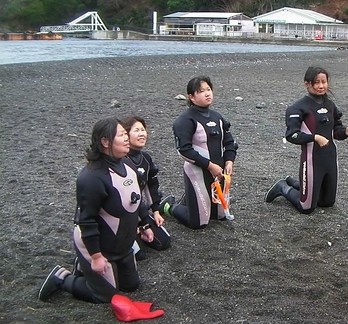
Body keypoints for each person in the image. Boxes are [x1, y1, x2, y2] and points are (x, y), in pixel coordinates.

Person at [38, 117, 154, 303]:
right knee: (106, 296)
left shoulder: (128, 165)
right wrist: (96, 257)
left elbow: (135, 200)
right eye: (121, 135)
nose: (126, 138)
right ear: (105, 142)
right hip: (97, 246)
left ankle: (85, 268)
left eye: (126, 134)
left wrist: (145, 224)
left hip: (123, 246)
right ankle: (62, 278)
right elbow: (86, 221)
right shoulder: (91, 178)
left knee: (131, 286)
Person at [265, 66, 348, 214]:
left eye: (324, 82)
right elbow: (291, 135)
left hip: (330, 158)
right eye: (317, 82)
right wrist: (314, 138)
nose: (321, 86)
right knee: (306, 207)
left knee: (327, 203)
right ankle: (283, 187)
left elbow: (336, 132)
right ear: (307, 84)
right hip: (312, 159)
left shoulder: (330, 105)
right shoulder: (298, 108)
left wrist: (345, 131)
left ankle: (294, 182)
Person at [161, 76, 237, 229]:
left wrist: (229, 161)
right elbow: (184, 151)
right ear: (191, 97)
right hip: (198, 171)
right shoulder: (185, 120)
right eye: (201, 91)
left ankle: (190, 200)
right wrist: (209, 166)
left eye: (208, 90)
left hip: (219, 172)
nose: (207, 94)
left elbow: (229, 143)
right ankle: (168, 206)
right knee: (199, 223)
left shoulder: (218, 117)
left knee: (220, 216)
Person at [121, 116, 172, 260]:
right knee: (139, 255)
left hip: (139, 211)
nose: (142, 133)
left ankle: (138, 232)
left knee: (164, 242)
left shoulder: (145, 159)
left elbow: (151, 185)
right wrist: (143, 224)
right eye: (136, 130)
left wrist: (155, 211)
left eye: (143, 130)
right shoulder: (121, 161)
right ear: (126, 135)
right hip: (122, 215)